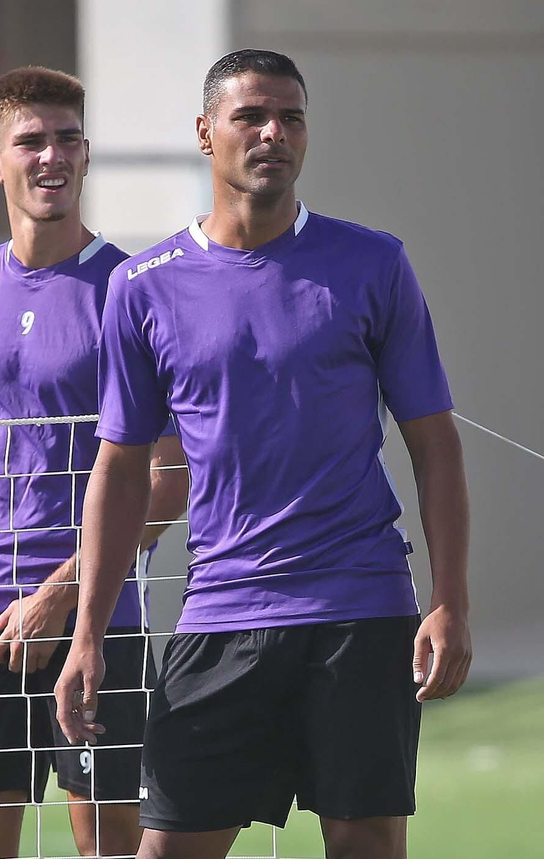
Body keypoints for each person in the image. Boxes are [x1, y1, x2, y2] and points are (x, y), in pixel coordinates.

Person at [53, 49, 472, 859]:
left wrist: (449, 597)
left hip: (359, 610)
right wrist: (87, 633)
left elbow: (435, 442)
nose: (273, 133)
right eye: (251, 116)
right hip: (222, 616)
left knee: (366, 849)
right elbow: (120, 469)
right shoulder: (144, 286)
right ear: (206, 134)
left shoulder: (372, 262)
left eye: (292, 117)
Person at [0, 66, 189, 859]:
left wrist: (63, 597)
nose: (50, 156)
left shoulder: (132, 290)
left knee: (111, 843)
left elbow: (169, 478)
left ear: (87, 155)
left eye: (66, 139)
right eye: (31, 141)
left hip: (96, 621)